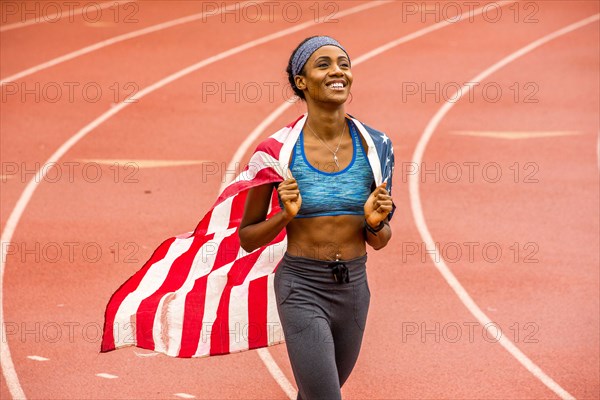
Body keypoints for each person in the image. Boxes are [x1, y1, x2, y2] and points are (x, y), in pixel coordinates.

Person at [238, 35, 396, 400]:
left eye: (343, 63)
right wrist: (283, 216)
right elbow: (247, 237)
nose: (337, 71)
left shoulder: (377, 145)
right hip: (302, 288)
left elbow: (382, 239)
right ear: (301, 82)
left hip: (355, 289)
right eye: (323, 64)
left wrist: (374, 222)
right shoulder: (276, 152)